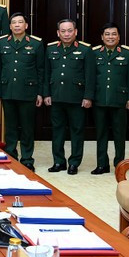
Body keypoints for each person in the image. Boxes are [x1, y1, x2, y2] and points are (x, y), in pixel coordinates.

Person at [44, 19, 95, 175]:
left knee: (77, 131)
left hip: (77, 98)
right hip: (57, 97)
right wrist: (46, 93)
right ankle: (59, 161)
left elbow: (90, 76)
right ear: (58, 33)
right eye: (63, 31)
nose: (66, 34)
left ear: (76, 32)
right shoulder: (51, 49)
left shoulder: (86, 50)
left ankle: (74, 162)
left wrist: (88, 97)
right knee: (57, 131)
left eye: (70, 30)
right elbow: (46, 74)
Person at [0, 13, 44, 171]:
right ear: (10, 26)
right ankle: (11, 154)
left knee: (27, 127)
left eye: (20, 22)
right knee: (10, 126)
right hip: (8, 90)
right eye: (14, 23)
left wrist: (40, 93)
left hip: (28, 92)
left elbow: (41, 70)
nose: (17, 25)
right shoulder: (1, 42)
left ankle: (27, 158)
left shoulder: (36, 44)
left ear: (26, 26)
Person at [92, 22, 129, 173]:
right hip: (100, 98)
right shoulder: (95, 53)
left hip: (119, 99)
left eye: (113, 34)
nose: (110, 37)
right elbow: (91, 77)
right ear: (102, 37)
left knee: (119, 133)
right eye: (107, 34)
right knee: (101, 133)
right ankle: (101, 164)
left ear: (118, 37)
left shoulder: (128, 53)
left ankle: (119, 164)